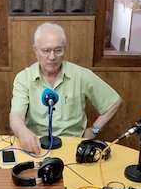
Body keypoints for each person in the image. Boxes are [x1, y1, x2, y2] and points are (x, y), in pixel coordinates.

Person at [10, 23, 122, 153]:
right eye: (46, 51)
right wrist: (23, 132)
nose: (52, 57)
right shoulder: (24, 78)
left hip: (73, 145)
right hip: (37, 145)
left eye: (58, 50)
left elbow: (114, 102)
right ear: (35, 50)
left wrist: (94, 130)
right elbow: (16, 115)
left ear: (65, 49)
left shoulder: (81, 75)